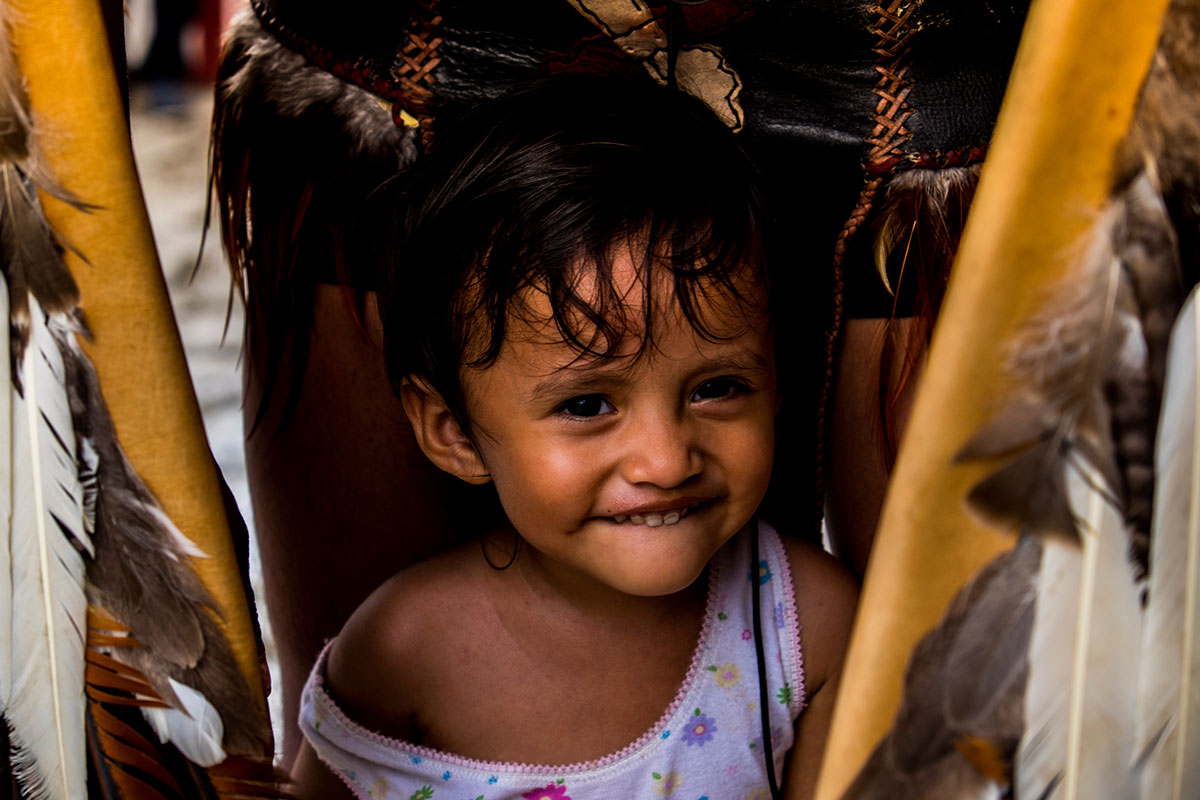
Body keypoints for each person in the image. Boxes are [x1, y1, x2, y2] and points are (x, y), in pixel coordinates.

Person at [288, 76, 858, 800]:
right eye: (588, 404)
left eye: (716, 388)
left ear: (777, 381)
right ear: (453, 432)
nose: (666, 460)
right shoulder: (403, 654)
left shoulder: (804, 628)